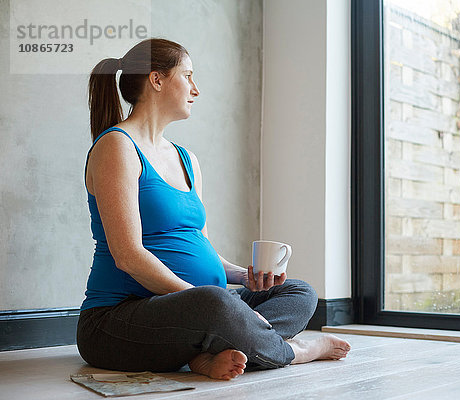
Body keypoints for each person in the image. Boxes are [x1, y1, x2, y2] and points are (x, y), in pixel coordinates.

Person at [76, 38, 351, 380]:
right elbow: (128, 256)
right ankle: (296, 351)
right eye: (188, 75)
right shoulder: (117, 146)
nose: (196, 89)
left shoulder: (186, 158)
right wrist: (219, 304)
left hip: (202, 309)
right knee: (217, 305)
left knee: (300, 292)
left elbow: (203, 247)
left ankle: (207, 352)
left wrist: (244, 276)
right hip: (118, 320)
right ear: (156, 80)